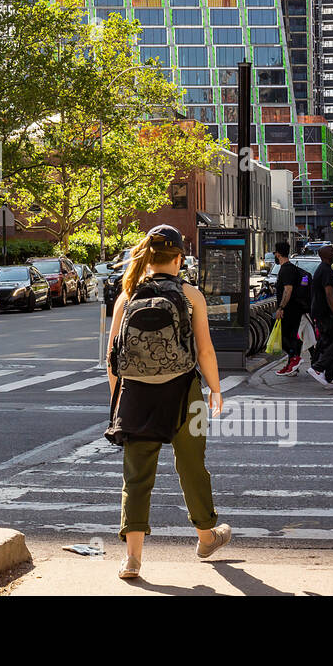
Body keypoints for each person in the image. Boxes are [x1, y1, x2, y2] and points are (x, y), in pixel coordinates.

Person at [104, 224, 231, 580]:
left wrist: (118, 397)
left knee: (136, 475)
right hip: (185, 393)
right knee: (192, 465)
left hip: (136, 394)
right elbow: (204, 349)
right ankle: (206, 536)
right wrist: (216, 389)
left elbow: (112, 358)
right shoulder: (191, 295)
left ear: (148, 257)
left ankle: (132, 559)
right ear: (178, 259)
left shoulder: (126, 295)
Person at [306, 244, 333, 390]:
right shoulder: (325, 271)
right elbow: (329, 294)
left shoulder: (324, 269)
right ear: (324, 255)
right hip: (326, 314)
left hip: (321, 313)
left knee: (330, 343)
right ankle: (318, 368)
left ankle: (331, 378)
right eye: (331, 251)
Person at [272, 241, 313, 377]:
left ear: (278, 254)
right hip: (295, 310)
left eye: (275, 253)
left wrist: (281, 308)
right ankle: (292, 365)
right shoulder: (290, 268)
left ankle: (294, 358)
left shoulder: (286, 269)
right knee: (292, 337)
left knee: (283, 337)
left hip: (290, 310)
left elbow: (288, 290)